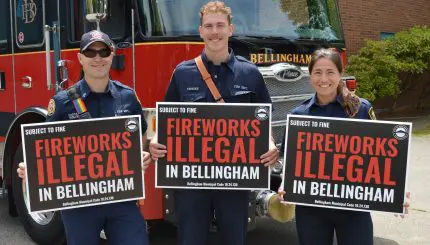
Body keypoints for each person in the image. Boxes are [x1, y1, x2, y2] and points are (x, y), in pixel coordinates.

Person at [149, 1, 279, 245]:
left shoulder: (250, 73)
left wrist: (270, 143)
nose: (214, 31)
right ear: (201, 31)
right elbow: (165, 122)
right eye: (208, 26)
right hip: (191, 182)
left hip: (235, 179)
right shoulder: (182, 72)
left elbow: (265, 119)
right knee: (190, 239)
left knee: (234, 239)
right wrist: (156, 140)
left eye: (220, 25)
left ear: (231, 29)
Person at [17, 30, 150, 245]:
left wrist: (143, 156)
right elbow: (44, 149)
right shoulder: (62, 103)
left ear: (112, 55)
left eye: (103, 51)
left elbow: (141, 137)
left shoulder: (128, 97)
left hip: (122, 200)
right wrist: (31, 169)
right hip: (79, 204)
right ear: (80, 58)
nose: (97, 58)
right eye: (90, 53)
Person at [278, 48, 409, 245]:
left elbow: (383, 156)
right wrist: (285, 184)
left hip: (354, 209)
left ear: (340, 74)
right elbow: (291, 162)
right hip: (312, 210)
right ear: (310, 75)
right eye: (318, 72)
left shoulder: (361, 109)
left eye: (330, 72)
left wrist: (397, 190)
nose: (324, 79)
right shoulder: (299, 115)